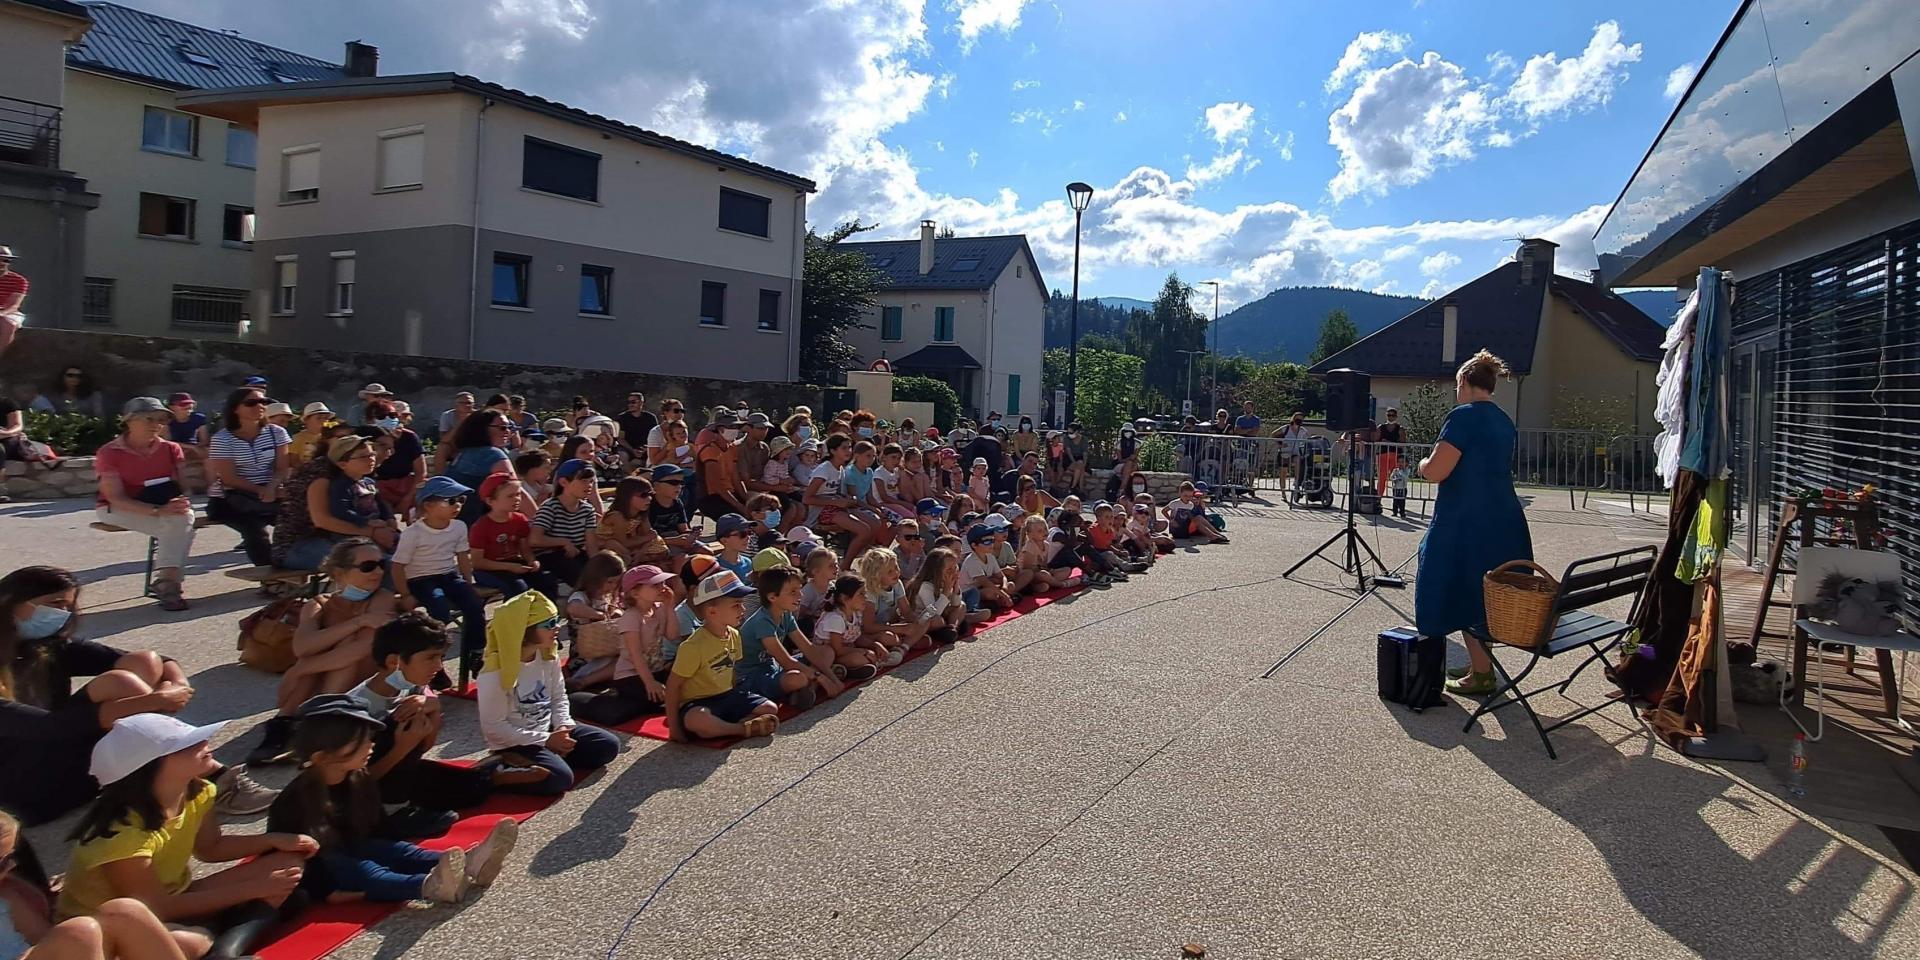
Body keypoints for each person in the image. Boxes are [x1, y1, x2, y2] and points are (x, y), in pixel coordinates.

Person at [0, 566, 268, 824]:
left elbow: (159, 660)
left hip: (68, 763)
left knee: (144, 662)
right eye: (55, 603)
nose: (62, 613)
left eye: (68, 606)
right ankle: (205, 777)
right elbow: (47, 728)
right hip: (24, 790)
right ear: (10, 602)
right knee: (121, 683)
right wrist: (152, 702)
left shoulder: (44, 646)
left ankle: (176, 768)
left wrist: (176, 685)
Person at [56, 714, 316, 959]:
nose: (204, 743)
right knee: (190, 942)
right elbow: (156, 908)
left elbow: (211, 848)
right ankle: (228, 938)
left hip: (177, 898)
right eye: (187, 744)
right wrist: (251, 890)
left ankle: (224, 941)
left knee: (286, 864)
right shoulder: (120, 835)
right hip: (115, 931)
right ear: (150, 767)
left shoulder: (199, 791)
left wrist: (271, 841)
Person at [265, 695, 515, 905]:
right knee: (366, 871)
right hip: (323, 866)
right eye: (359, 741)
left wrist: (394, 847)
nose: (370, 746)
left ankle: (473, 862)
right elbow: (287, 856)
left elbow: (378, 825)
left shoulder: (357, 778)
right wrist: (325, 892)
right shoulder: (293, 803)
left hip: (357, 843)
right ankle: (430, 886)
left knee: (399, 851)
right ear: (322, 757)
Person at [1416, 350, 1534, 697]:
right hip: (1505, 517)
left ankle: (1453, 672)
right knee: (1484, 593)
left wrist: (1422, 464)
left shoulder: (1463, 417)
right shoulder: (1503, 420)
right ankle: (1481, 669)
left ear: (1464, 382)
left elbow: (1438, 470)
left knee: (1445, 582)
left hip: (1465, 519)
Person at [244, 537, 396, 766]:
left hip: (361, 684)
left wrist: (304, 666)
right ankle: (295, 723)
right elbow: (302, 647)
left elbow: (363, 649)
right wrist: (360, 621)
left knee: (346, 646)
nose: (377, 572)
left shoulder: (382, 599)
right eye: (368, 566)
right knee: (328, 647)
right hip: (313, 686)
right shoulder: (319, 603)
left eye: (381, 564)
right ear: (339, 572)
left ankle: (302, 723)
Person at [2, 809, 199, 960]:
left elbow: (42, 937)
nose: (12, 865)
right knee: (80, 931)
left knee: (124, 911)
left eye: (11, 857)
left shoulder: (7, 895)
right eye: (2, 861)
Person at [476, 592, 620, 794]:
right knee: (560, 779)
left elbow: (558, 697)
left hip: (549, 728)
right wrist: (546, 740)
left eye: (556, 620)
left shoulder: (547, 656)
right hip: (516, 741)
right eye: (549, 624)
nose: (557, 627)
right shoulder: (494, 673)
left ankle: (548, 757)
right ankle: (498, 769)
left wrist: (563, 725)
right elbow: (495, 729)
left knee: (607, 745)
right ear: (524, 630)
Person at [92, 399, 196, 611]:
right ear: (129, 421)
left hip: (162, 504)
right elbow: (115, 498)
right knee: (182, 528)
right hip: (117, 508)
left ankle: (167, 583)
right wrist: (158, 511)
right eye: (149, 418)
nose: (156, 425)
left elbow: (184, 487)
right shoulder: (109, 452)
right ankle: (169, 583)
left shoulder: (170, 449)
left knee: (181, 520)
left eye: (161, 420)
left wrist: (180, 500)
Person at [393, 477, 487, 671]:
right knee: (439, 610)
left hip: (448, 575)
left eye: (460, 500)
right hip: (420, 579)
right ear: (428, 505)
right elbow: (397, 566)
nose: (457, 505)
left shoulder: (459, 526)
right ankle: (436, 660)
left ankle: (476, 651)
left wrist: (469, 582)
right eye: (450, 501)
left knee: (475, 606)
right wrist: (405, 594)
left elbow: (462, 556)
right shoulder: (414, 533)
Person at [277, 436, 397, 571]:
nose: (371, 459)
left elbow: (380, 502)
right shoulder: (327, 479)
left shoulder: (365, 481)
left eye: (372, 454)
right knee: (367, 563)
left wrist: (390, 521)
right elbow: (325, 519)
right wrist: (370, 529)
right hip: (301, 543)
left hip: (348, 536)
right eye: (363, 456)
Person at [205, 386, 289, 568]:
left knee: (297, 523)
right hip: (232, 497)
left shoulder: (277, 433)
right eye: (251, 403)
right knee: (255, 531)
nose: (259, 406)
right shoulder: (222, 439)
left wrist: (272, 487)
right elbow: (228, 478)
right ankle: (271, 577)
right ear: (235, 408)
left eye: (263, 402)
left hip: (269, 492)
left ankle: (296, 570)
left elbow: (282, 468)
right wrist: (262, 491)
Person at [735, 565, 832, 710]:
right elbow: (787, 661)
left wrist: (832, 679)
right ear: (772, 597)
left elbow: (808, 648)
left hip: (774, 667)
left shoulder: (785, 614)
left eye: (800, 590)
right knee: (797, 678)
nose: (800, 596)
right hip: (752, 676)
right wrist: (821, 677)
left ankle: (809, 688)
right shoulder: (761, 621)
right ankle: (800, 689)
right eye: (793, 592)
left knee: (826, 651)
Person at [469, 474, 556, 600]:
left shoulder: (519, 519)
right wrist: (509, 567)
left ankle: (545, 616)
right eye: (510, 496)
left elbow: (524, 547)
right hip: (489, 569)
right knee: (518, 588)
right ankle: (513, 617)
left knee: (546, 582)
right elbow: (478, 562)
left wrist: (532, 560)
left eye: (518, 494)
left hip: (514, 563)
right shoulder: (481, 527)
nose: (517, 499)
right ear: (490, 501)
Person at [530, 459, 600, 588]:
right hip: (550, 555)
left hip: (575, 552)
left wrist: (598, 564)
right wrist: (563, 542)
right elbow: (534, 539)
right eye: (583, 481)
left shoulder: (587, 509)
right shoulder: (551, 507)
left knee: (602, 570)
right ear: (564, 482)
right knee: (579, 576)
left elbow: (591, 545)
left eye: (591, 481)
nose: (589, 485)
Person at [441, 410, 515, 525]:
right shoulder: (492, 454)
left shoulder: (463, 453)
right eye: (502, 427)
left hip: (455, 522)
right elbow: (515, 490)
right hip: (479, 523)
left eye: (508, 427)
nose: (507, 431)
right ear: (483, 429)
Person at [365, 398, 426, 520]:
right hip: (376, 486)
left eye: (392, 415)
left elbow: (421, 472)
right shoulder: (365, 437)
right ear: (370, 419)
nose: (388, 419)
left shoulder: (409, 437)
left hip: (407, 485)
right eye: (381, 416)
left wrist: (407, 500)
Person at [33, 368, 105, 418]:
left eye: (78, 376)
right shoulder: (52, 395)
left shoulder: (93, 395)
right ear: (63, 377)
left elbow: (98, 415)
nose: (74, 379)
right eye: (70, 375)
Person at [285, 402, 335, 468]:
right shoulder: (298, 437)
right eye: (319, 418)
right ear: (306, 420)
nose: (323, 421)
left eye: (325, 418)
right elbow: (294, 460)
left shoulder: (331, 437)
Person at [162, 393, 207, 466]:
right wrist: (191, 448)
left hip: (195, 446)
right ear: (172, 407)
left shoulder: (198, 418)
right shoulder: (166, 420)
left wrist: (196, 448)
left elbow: (204, 440)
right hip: (174, 448)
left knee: (208, 453)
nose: (187, 408)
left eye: (189, 405)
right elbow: (167, 442)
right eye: (182, 405)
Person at [0, 247, 27, 358]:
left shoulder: (20, 281)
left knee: (9, 325)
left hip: (9, 312)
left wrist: (1, 313)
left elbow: (14, 305)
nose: (2, 263)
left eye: (6, 260)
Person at [1375, 406, 1405, 496]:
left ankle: (1397, 498)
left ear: (1396, 417)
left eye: (1393, 415)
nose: (1391, 417)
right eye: (1389, 415)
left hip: (1395, 455)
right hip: (1382, 454)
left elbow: (1403, 442)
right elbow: (1376, 440)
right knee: (1382, 478)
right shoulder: (1381, 427)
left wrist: (1389, 442)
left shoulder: (1400, 428)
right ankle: (1379, 497)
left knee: (1397, 478)